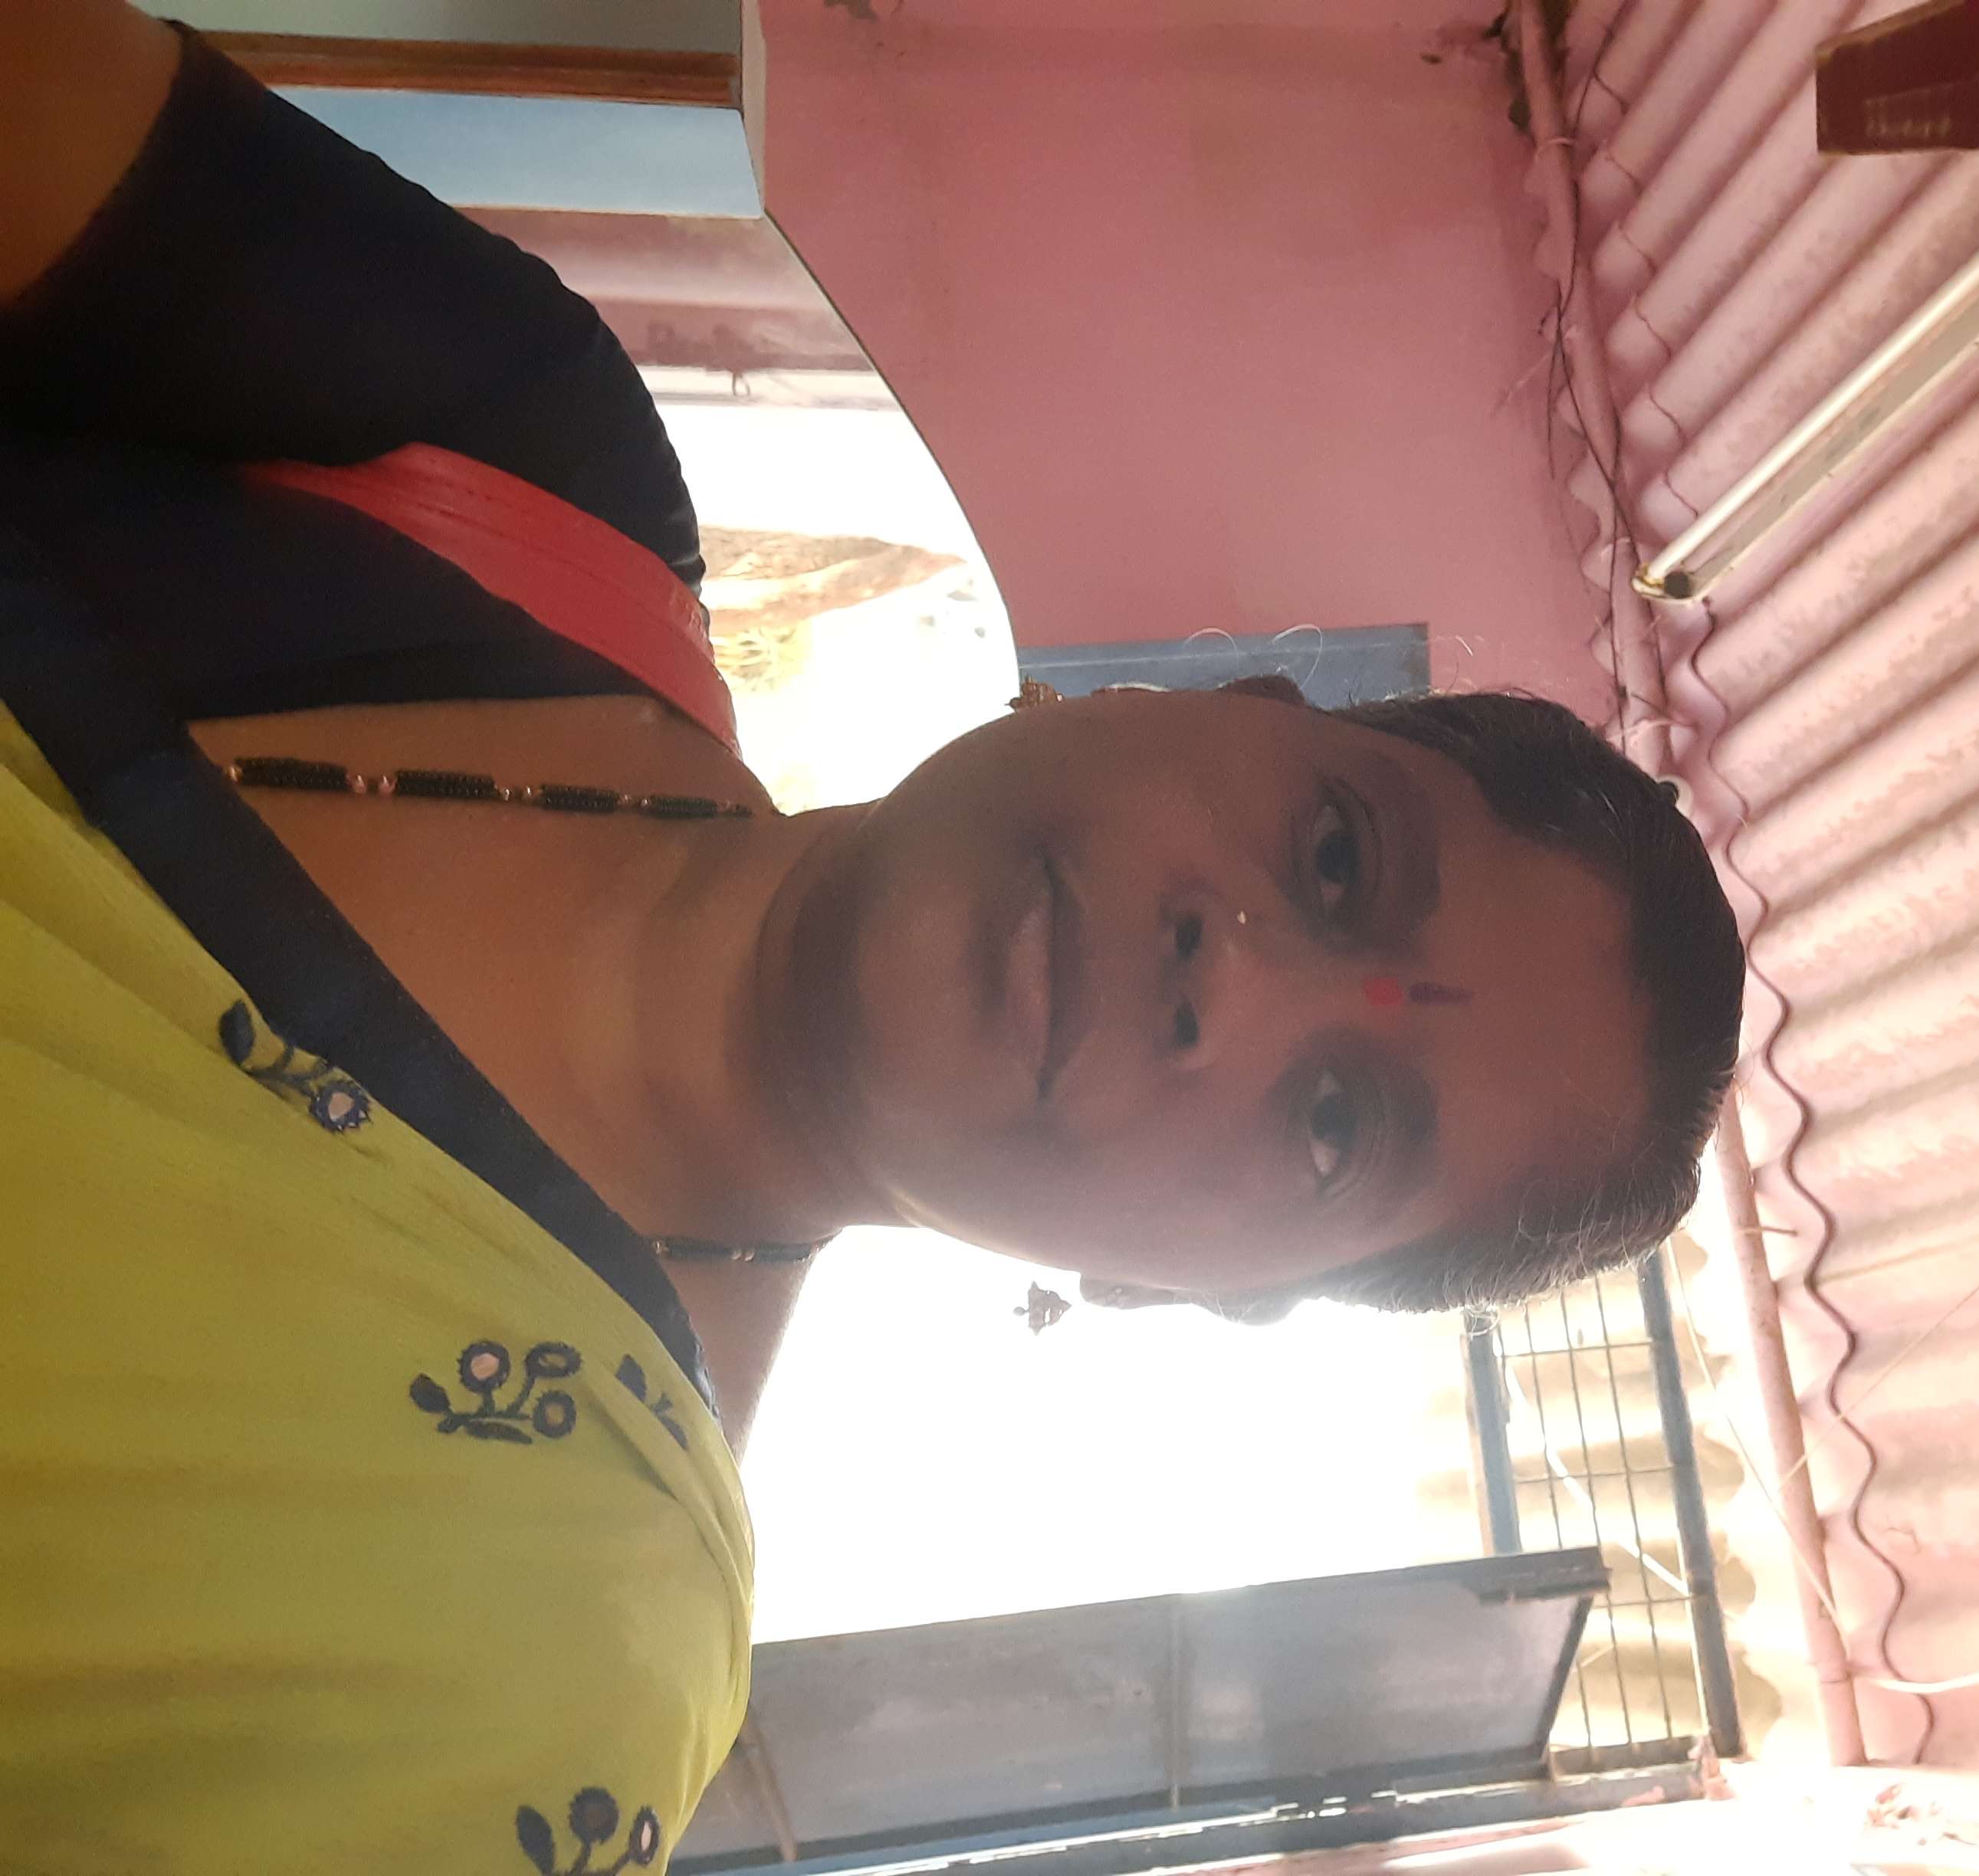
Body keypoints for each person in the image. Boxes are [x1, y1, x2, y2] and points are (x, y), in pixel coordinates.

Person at [0, 5, 1744, 1871]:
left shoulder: (528, 1662)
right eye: (1336, 856)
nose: (1231, 979)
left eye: (1336, 1124)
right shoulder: (517, 458)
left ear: (1178, 1293)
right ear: (1200, 701)